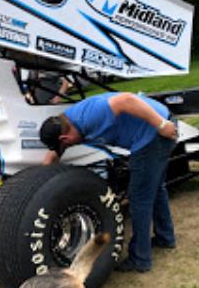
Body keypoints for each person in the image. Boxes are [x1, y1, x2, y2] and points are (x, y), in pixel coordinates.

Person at [39, 92, 178, 273]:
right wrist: (40, 181)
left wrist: (161, 125)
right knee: (156, 188)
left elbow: (126, 100)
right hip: (152, 134)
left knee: (139, 199)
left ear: (64, 139)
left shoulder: (90, 115)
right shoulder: (66, 125)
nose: (66, 149)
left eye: (65, 146)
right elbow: (53, 155)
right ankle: (165, 238)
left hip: (153, 135)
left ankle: (140, 259)